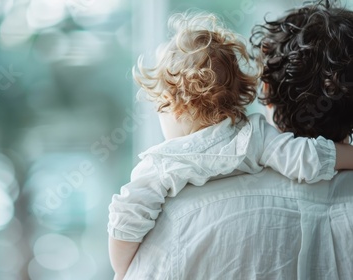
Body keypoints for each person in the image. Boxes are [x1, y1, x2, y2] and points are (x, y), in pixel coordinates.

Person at [120, 2, 353, 279]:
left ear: (263, 87)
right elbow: (311, 157)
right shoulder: (257, 141)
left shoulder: (175, 222)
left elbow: (125, 226)